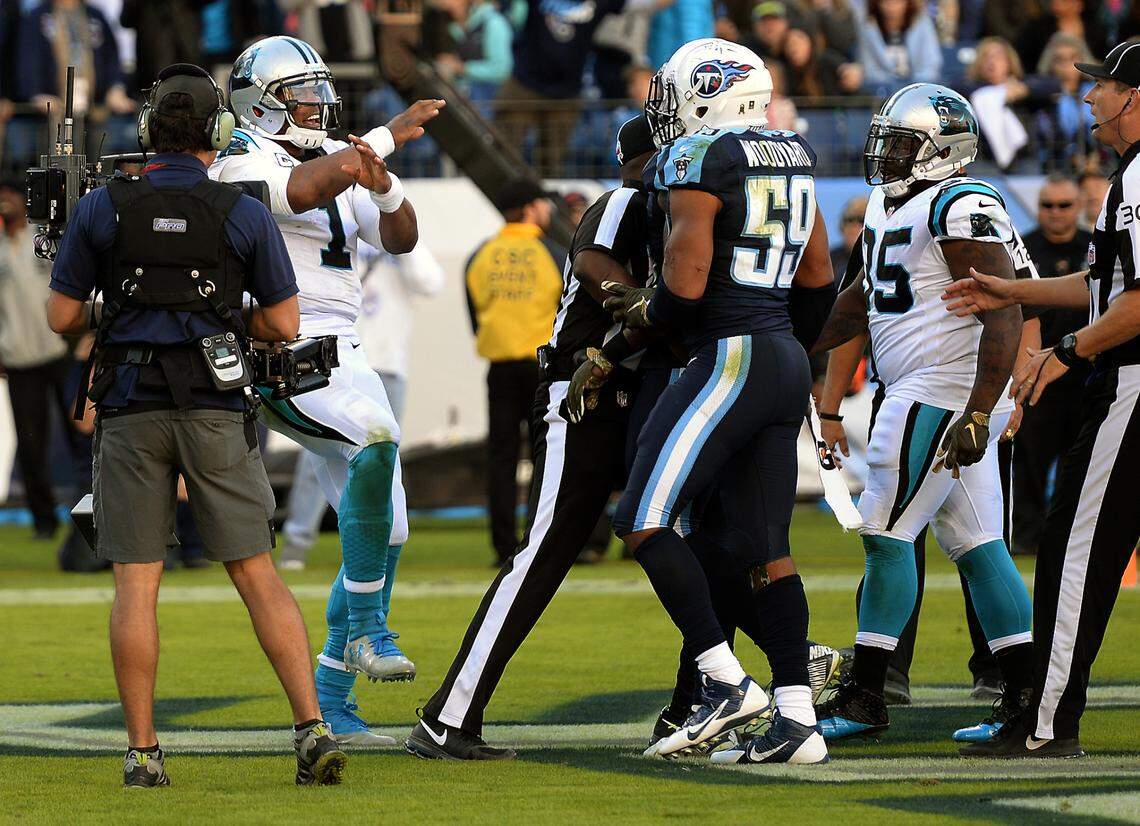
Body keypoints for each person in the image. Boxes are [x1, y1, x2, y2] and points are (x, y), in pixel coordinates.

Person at [44, 63, 346, 787]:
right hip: (214, 402)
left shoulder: (101, 207)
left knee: (136, 584)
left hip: (129, 403)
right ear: (219, 130)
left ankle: (144, 753)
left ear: (148, 130)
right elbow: (284, 322)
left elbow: (59, 317)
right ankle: (309, 731)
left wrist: (120, 314)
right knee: (256, 572)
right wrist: (217, 317)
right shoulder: (242, 211)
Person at [602, 38, 837, 764]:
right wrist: (784, 353)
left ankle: (726, 681)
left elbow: (684, 291)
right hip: (785, 356)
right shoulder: (794, 152)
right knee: (768, 553)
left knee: (641, 519)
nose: (665, 114)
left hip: (729, 355)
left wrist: (635, 317)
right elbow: (820, 280)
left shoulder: (694, 159)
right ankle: (798, 720)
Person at [210, 35, 444, 745]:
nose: (319, 103)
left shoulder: (332, 160)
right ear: (262, 102)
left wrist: (385, 183)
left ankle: (334, 701)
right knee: (376, 440)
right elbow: (298, 193)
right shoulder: (241, 159)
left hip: (348, 351)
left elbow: (400, 240)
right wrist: (385, 138)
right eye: (302, 92)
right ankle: (371, 630)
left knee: (387, 529)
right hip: (286, 349)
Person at [406, 116, 656, 761]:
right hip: (581, 386)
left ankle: (715, 691)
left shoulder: (493, 248)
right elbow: (589, 276)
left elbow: (472, 303)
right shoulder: (615, 209)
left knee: (683, 536)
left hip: (545, 370)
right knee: (546, 549)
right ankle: (449, 715)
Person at [809, 84, 1037, 744]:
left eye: (902, 143)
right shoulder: (888, 204)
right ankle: (1026, 696)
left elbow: (1005, 306)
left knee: (884, 531)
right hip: (931, 390)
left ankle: (867, 694)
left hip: (943, 391)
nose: (887, 154)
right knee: (976, 546)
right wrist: (795, 339)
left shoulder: (961, 201)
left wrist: (978, 410)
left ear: (945, 150)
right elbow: (861, 300)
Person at [950, 42, 1140, 758]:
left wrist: (1066, 351)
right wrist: (1012, 291)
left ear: (1135, 97)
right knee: (1071, 548)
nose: (1089, 99)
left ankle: (1044, 724)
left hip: (1132, 386)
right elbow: (1100, 287)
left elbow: (1138, 304)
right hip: (1124, 379)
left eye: (1103, 87)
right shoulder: (1128, 176)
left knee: (1074, 555)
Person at [276, 240, 445, 571]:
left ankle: (383, 543)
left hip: (387, 362)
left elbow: (431, 282)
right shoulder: (333, 229)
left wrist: (393, 237)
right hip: (339, 356)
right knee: (318, 456)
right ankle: (297, 543)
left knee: (385, 455)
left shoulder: (392, 237)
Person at [464, 180, 564, 565]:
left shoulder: (481, 255)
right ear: (529, 208)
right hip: (541, 371)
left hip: (499, 367)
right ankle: (540, 540)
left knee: (501, 457)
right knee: (547, 455)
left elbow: (475, 318)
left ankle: (503, 546)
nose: (546, 210)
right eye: (541, 203)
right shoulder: (552, 253)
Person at [1012, 174, 1090, 556]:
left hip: (1087, 376)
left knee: (1081, 465)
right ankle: (1026, 537)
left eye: (1064, 205)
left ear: (1078, 208)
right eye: (1048, 205)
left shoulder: (1096, 248)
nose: (1056, 213)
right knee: (1029, 464)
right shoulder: (1022, 249)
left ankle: (1073, 539)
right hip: (1036, 376)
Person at [0, 180, 76, 540]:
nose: (5, 202)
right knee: (31, 444)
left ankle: (88, 514)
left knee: (82, 435)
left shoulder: (43, 238)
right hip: (18, 358)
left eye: (9, 194)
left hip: (59, 351)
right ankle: (44, 522)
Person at [857, 0, 942, 95]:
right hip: (882, 94)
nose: (891, 7)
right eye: (885, 2)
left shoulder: (922, 23)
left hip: (918, 93)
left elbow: (930, 66)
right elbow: (870, 70)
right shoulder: (868, 27)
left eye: (897, 2)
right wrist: (893, 88)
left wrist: (914, 89)